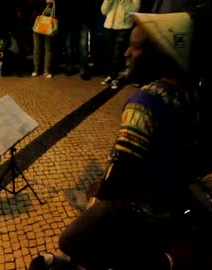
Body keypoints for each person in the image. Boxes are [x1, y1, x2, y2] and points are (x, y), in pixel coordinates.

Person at [57, 12, 201, 269]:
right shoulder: (186, 92)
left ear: (159, 53)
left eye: (134, 47)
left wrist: (97, 201)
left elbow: (123, 169)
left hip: (146, 210)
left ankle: (151, 261)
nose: (125, 53)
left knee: (70, 240)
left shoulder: (144, 102)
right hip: (173, 197)